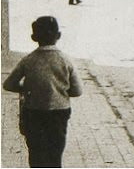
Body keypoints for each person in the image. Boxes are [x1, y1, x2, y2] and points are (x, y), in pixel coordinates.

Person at [3, 16, 83, 168]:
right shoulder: (65, 60)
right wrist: (61, 90)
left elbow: (8, 84)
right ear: (58, 36)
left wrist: (26, 88)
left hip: (33, 114)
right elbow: (77, 91)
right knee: (55, 154)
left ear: (34, 37)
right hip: (58, 115)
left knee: (36, 154)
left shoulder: (28, 60)